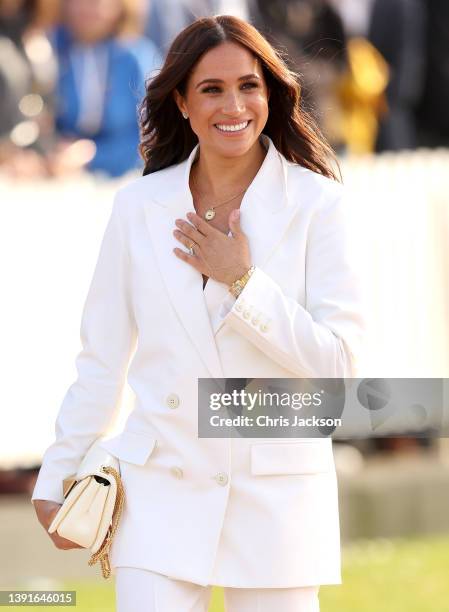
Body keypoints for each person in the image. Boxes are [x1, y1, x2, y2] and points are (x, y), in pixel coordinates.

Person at [31, 14, 365, 612]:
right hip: (160, 492)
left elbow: (339, 370)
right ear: (182, 102)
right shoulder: (138, 207)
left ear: (271, 94)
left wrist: (242, 281)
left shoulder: (320, 206)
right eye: (211, 89)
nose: (232, 104)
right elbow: (101, 359)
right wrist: (58, 472)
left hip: (277, 500)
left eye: (248, 85)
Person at [51, 0, 162, 177]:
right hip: (55, 174)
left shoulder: (137, 56)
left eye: (96, 2)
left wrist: (94, 156)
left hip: (124, 176)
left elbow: (153, 136)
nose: (85, 9)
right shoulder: (49, 48)